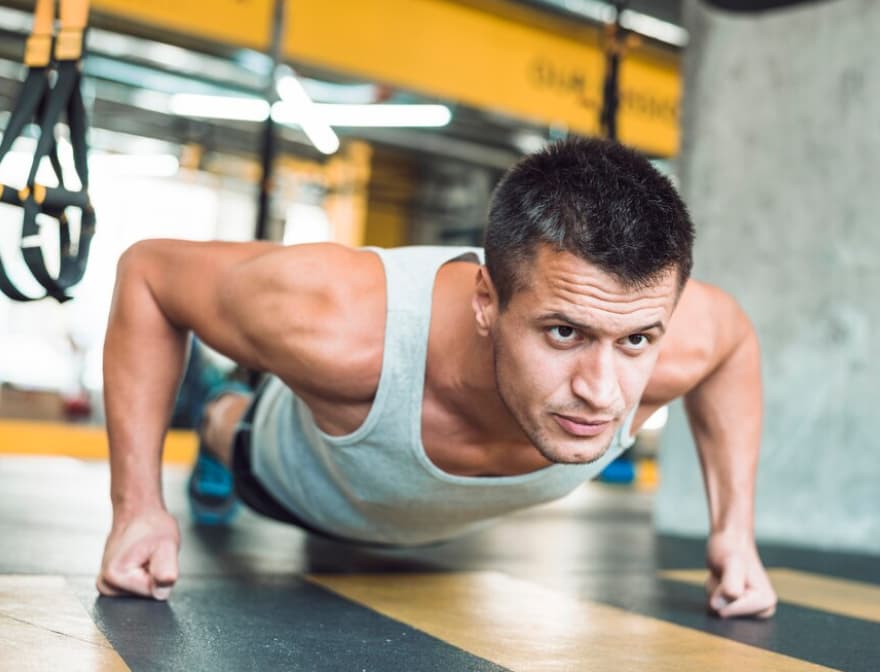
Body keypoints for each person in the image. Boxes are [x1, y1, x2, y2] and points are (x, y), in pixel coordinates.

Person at [96, 137, 778, 619]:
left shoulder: (674, 331)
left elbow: (735, 344)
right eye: (563, 332)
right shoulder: (334, 319)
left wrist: (734, 529)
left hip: (429, 520)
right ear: (487, 300)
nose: (602, 390)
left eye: (634, 340)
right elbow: (150, 273)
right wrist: (137, 508)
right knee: (230, 424)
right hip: (293, 480)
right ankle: (219, 408)